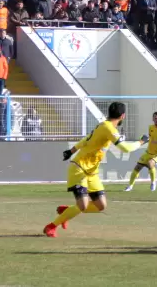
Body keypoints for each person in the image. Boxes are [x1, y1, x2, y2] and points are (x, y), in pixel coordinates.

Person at [43, 102, 148, 238]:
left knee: (101, 205)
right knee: (83, 205)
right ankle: (51, 226)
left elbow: (86, 139)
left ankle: (68, 212)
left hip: (92, 172)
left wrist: (71, 150)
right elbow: (125, 148)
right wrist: (141, 142)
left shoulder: (103, 126)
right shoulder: (108, 128)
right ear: (123, 116)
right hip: (79, 168)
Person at [125, 111, 157, 192]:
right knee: (137, 167)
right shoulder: (150, 128)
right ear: (153, 119)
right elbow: (151, 139)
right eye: (155, 118)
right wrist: (144, 140)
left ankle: (153, 182)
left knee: (150, 163)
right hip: (148, 152)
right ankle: (130, 186)